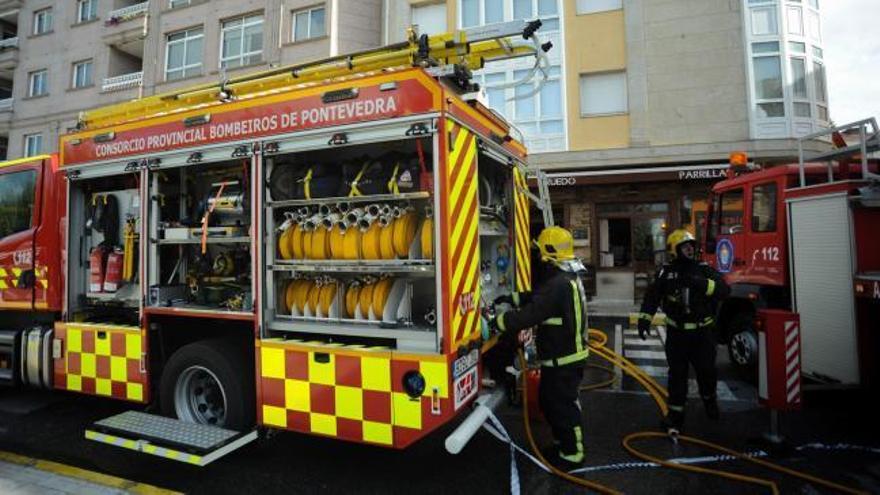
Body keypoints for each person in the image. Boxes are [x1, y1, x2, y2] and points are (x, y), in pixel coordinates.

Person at [492, 226, 589, 470]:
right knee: (550, 402)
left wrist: (499, 322)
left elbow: (532, 313)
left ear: (549, 251)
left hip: (563, 359)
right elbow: (539, 297)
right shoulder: (566, 278)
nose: (537, 256)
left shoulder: (558, 284)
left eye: (539, 251)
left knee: (562, 406)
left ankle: (573, 454)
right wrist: (511, 298)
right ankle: (562, 443)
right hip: (565, 357)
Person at [638, 229, 729, 434]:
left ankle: (709, 401)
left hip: (702, 334)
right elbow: (652, 297)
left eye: (692, 245)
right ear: (675, 250)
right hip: (677, 335)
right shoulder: (666, 273)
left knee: (706, 371)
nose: (690, 249)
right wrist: (644, 320)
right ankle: (675, 415)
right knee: (677, 375)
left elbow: (724, 290)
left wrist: (700, 283)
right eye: (685, 246)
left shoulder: (704, 270)